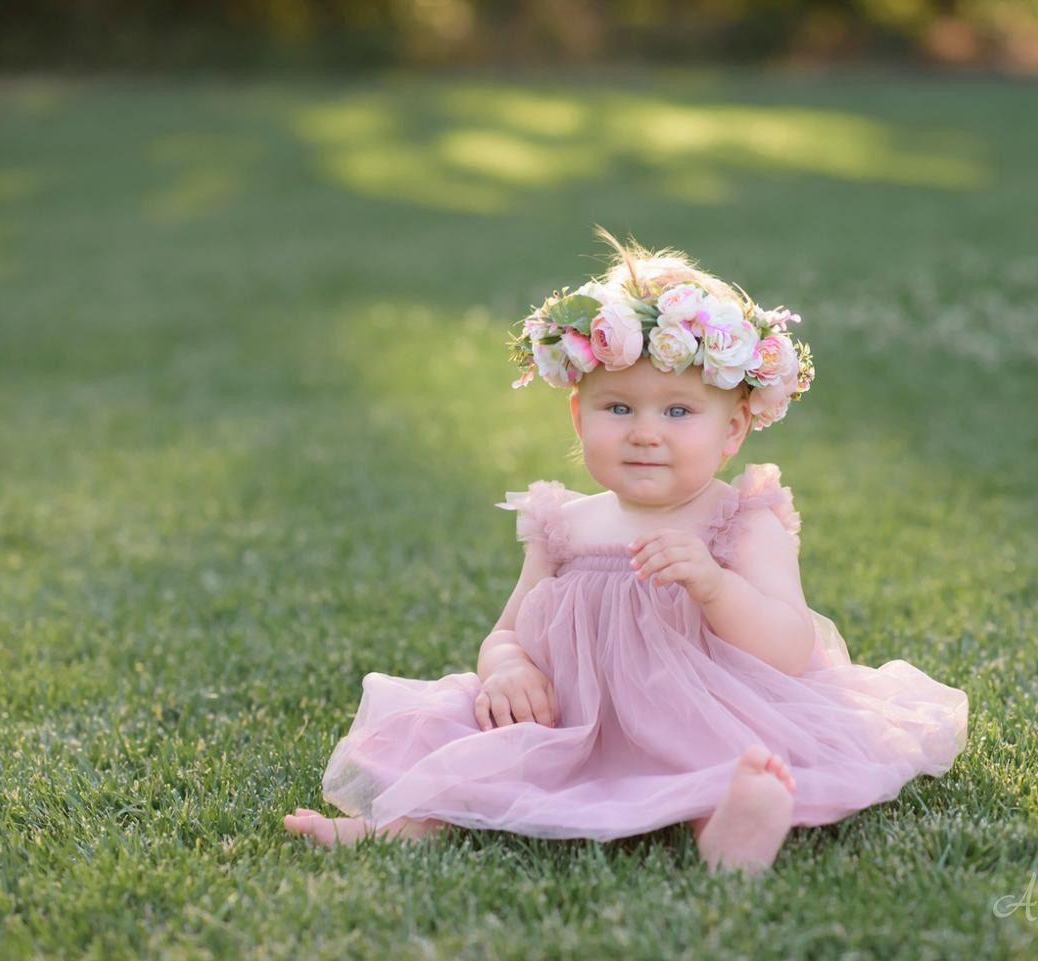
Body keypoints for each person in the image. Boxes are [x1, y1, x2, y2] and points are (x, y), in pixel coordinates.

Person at [285, 228, 968, 875]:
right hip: (571, 719)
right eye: (618, 408)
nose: (645, 432)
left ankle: (733, 824)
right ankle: (393, 825)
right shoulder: (564, 524)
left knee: (727, 758)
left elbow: (791, 649)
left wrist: (714, 587)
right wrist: (507, 669)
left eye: (677, 411)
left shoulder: (741, 522)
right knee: (470, 743)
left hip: (701, 716)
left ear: (733, 429)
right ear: (579, 416)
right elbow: (506, 628)